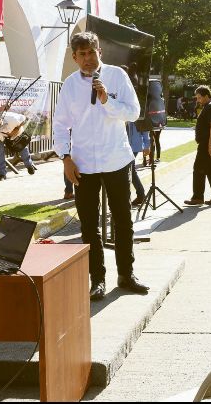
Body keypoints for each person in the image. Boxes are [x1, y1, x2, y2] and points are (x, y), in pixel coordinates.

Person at [53, 31, 149, 300]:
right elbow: (60, 125)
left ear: (99, 52)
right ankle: (97, 279)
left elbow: (133, 112)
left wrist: (107, 99)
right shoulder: (70, 85)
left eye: (91, 52)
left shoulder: (117, 75)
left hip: (116, 158)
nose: (87, 58)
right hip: (82, 163)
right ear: (74, 57)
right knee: (89, 225)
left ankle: (126, 274)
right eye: (81, 54)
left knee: (122, 220)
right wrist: (65, 157)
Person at [184, 86, 211, 206]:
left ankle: (198, 197)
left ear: (206, 95)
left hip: (209, 142)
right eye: (197, 98)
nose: (198, 100)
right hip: (209, 141)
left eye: (199, 97)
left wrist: (210, 144)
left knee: (199, 168)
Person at [0, 111, 36, 181]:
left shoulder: (12, 119)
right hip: (1, 135)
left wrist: (17, 129)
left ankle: (29, 165)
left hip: (16, 131)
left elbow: (24, 119)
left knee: (21, 147)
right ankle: (2, 174)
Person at [127, 121, 150, 206]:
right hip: (122, 146)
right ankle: (141, 195)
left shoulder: (137, 110)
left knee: (128, 171)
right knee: (131, 171)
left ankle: (138, 196)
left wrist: (147, 145)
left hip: (134, 146)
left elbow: (144, 128)